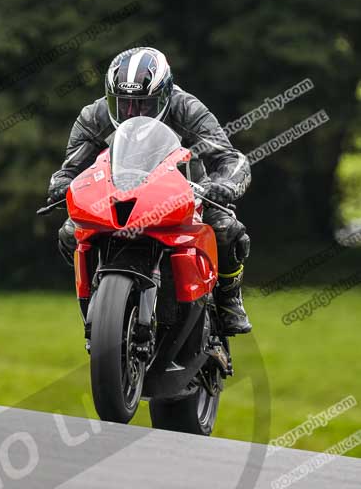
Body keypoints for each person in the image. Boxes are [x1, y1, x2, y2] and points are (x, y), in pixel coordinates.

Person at [47, 47, 252, 335]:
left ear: (166, 95)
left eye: (144, 105)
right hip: (116, 195)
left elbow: (231, 158)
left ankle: (229, 297)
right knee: (70, 234)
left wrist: (225, 185)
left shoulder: (187, 109)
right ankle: (99, 297)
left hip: (184, 192)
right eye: (124, 104)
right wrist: (59, 185)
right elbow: (71, 168)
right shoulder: (94, 115)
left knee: (226, 229)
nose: (133, 112)